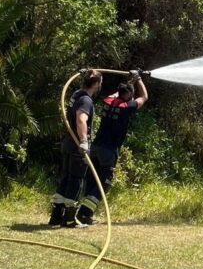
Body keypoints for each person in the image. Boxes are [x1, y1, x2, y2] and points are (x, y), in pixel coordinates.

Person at [75, 70, 149, 225]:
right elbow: (144, 97)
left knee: (92, 179)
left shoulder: (108, 101)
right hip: (109, 151)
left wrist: (129, 83)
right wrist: (138, 79)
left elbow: (118, 94)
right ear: (128, 95)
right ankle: (84, 213)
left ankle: (82, 213)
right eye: (131, 94)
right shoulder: (127, 107)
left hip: (95, 147)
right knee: (104, 184)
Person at [48, 69, 103, 228]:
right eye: (100, 82)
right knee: (75, 181)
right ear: (95, 84)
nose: (101, 85)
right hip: (77, 146)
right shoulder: (86, 100)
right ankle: (70, 219)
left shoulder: (77, 94)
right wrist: (84, 141)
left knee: (65, 178)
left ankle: (56, 217)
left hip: (68, 144)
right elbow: (81, 120)